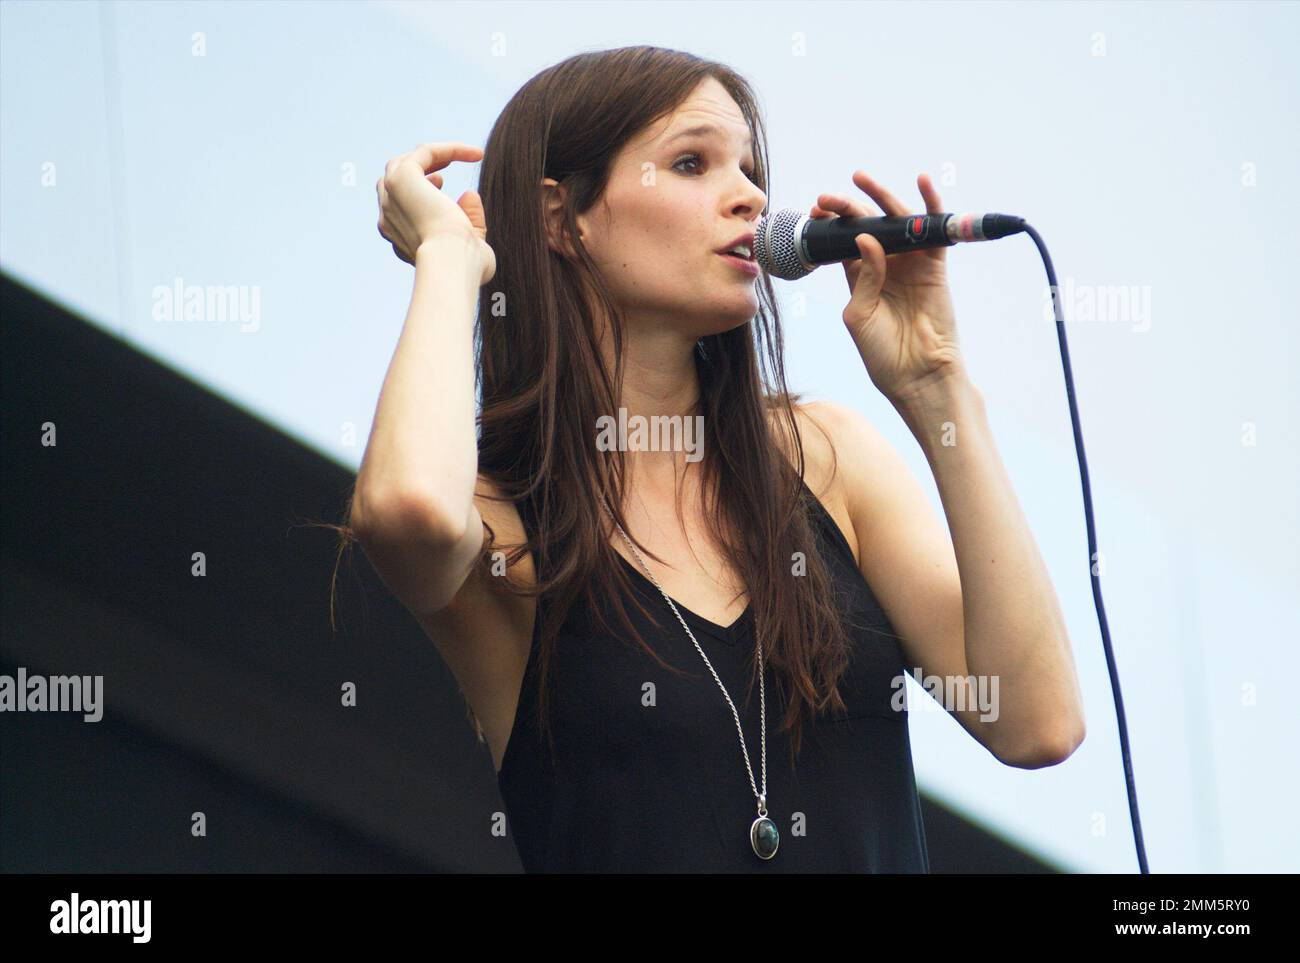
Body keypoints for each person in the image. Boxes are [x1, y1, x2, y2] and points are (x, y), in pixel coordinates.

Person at [346, 45, 1086, 872]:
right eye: (692, 163)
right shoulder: (505, 525)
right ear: (562, 219)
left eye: (751, 168)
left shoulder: (828, 460)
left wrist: (937, 387)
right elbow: (405, 513)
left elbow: (1036, 722)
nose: (751, 197)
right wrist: (450, 258)